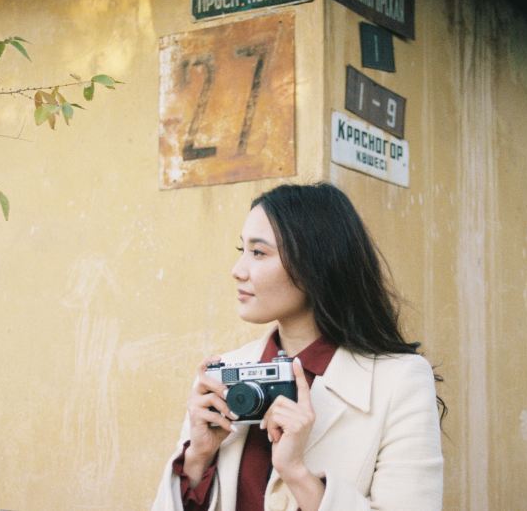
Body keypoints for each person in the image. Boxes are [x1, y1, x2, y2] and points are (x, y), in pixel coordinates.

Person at [152, 183, 444, 511]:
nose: (238, 271)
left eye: (258, 252)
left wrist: (296, 474)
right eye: (241, 251)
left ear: (314, 264)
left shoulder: (399, 381)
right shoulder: (221, 375)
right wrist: (196, 459)